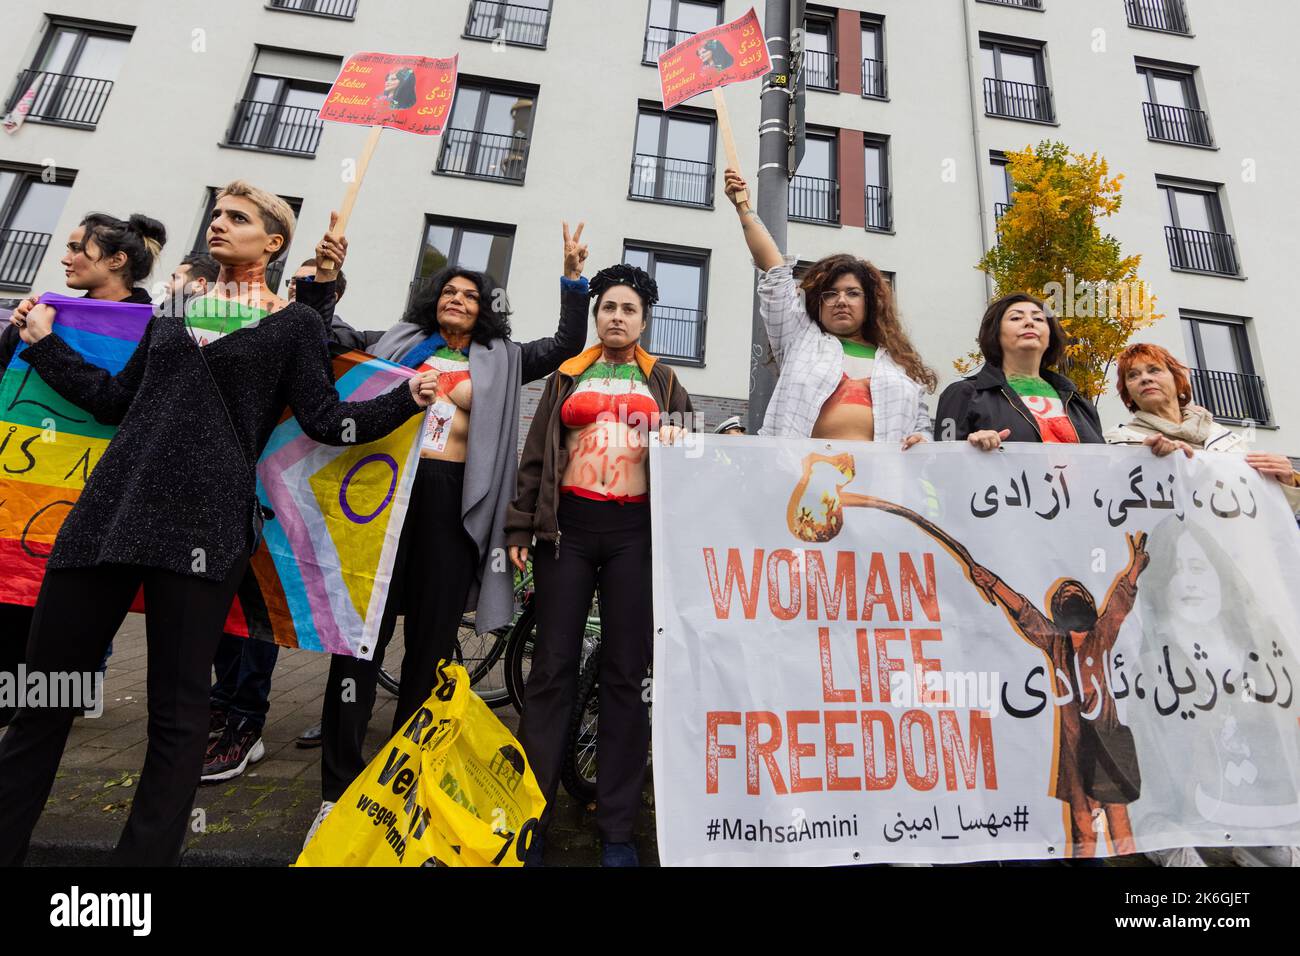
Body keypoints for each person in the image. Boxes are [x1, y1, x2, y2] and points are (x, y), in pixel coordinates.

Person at [0, 181, 436, 865]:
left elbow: (327, 422)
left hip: (205, 531)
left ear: (274, 242)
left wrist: (407, 398)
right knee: (43, 699)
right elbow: (116, 400)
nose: (218, 224)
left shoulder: (295, 326)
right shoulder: (173, 303)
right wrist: (45, 344)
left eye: (238, 217)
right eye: (216, 214)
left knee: (176, 720)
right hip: (107, 514)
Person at [294, 219, 589, 843]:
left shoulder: (503, 360)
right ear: (433, 302)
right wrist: (324, 280)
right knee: (360, 642)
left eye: (470, 296)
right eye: (448, 293)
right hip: (383, 501)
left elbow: (564, 343)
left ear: (484, 313)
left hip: (452, 505)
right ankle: (336, 786)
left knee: (429, 649)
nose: (457, 301)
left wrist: (572, 277)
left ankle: (407, 775)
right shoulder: (394, 345)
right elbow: (325, 334)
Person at [506, 262, 692, 868]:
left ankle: (616, 826)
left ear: (644, 319)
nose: (617, 316)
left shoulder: (664, 384)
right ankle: (530, 816)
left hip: (635, 537)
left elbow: (690, 461)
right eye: (608, 307)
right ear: (597, 315)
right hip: (569, 533)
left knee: (625, 676)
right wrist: (518, 526)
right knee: (551, 671)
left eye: (629, 309)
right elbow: (536, 457)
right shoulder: (566, 376)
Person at [0, 212, 163, 729]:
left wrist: (46, 344)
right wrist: (16, 332)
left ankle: (49, 711)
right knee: (10, 602)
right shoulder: (49, 308)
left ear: (116, 261)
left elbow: (113, 404)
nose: (65, 258)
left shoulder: (151, 328)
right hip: (22, 491)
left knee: (58, 621)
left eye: (78, 249)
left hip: (91, 497)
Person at [1126, 517, 1300, 867]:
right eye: (1176, 568)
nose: (1189, 582)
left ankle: (1260, 837)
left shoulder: (1252, 648)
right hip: (1181, 799)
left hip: (1247, 797)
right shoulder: (1149, 661)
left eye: (1197, 567)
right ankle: (1167, 839)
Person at [723, 167, 935, 447]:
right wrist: (743, 207)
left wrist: (922, 439)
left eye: (853, 293)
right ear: (818, 303)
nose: (841, 300)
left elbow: (922, 430)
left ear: (870, 303)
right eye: (831, 294)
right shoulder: (800, 338)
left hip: (878, 487)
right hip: (802, 482)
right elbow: (773, 270)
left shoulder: (900, 365)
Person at [967, 534, 1150, 858]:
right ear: (1057, 611)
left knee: (1119, 824)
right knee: (1082, 828)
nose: (1071, 597)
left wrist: (1135, 568)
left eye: (1076, 593)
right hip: (1076, 754)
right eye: (1066, 596)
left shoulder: (1102, 635)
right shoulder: (1055, 643)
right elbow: (1022, 609)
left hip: (1108, 748)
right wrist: (991, 582)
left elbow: (1121, 602)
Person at [1105, 342, 1300, 512]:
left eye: (1154, 370)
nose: (1145, 379)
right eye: (1133, 375)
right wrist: (1142, 459)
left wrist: (1287, 481)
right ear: (1128, 394)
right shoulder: (1116, 441)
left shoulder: (1227, 439)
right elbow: (1109, 505)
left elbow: (1266, 511)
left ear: (1178, 381)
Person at [935, 292, 1103, 450]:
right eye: (1016, 317)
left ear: (1050, 336)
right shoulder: (962, 395)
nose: (1029, 322)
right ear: (996, 333)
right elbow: (941, 463)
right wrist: (971, 449)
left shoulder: (1078, 402)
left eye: (1039, 319)